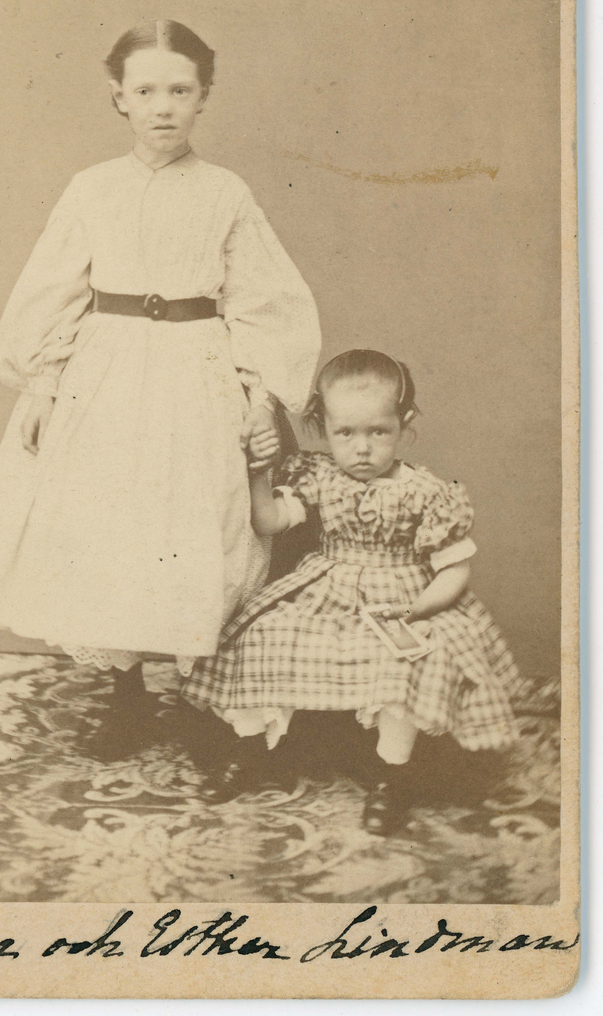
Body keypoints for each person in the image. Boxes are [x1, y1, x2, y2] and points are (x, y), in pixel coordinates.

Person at [0, 20, 321, 758]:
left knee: (200, 522)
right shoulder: (92, 189)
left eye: (180, 90)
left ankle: (205, 693)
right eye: (146, 90)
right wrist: (41, 386)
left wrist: (261, 400)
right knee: (111, 523)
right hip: (107, 372)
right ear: (118, 97)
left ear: (204, 97)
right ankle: (124, 695)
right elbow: (55, 289)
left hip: (198, 370)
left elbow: (263, 300)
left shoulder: (224, 192)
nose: (163, 106)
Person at [181, 350, 521, 832]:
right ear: (324, 427)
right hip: (328, 588)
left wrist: (417, 611)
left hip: (402, 595)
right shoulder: (320, 477)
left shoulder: (426, 492)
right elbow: (269, 521)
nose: (362, 449)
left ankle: (392, 775)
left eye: (378, 432)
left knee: (408, 662)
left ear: (404, 423)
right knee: (262, 635)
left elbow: (454, 571)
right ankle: (252, 747)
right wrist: (259, 473)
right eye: (345, 433)